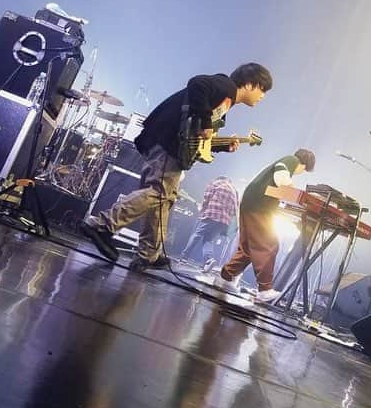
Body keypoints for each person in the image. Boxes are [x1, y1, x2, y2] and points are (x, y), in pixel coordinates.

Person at [81, 64, 272, 272]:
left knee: (163, 199)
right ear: (251, 84)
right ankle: (101, 225)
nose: (262, 97)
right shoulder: (225, 86)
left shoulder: (225, 103)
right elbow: (197, 83)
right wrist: (208, 122)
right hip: (168, 142)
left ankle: (149, 254)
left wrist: (223, 145)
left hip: (168, 143)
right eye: (263, 90)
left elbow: (198, 137)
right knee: (160, 193)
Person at [215, 149, 316, 302]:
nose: (301, 172)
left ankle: (225, 277)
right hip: (258, 206)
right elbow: (281, 178)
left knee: (249, 248)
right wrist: (295, 191)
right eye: (304, 169)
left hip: (251, 203)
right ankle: (264, 290)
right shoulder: (291, 159)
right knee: (268, 244)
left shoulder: (282, 162)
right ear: (304, 163)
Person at [181, 176, 238, 266]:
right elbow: (235, 209)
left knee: (197, 234)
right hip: (224, 221)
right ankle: (209, 260)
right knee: (209, 239)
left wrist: (202, 210)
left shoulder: (215, 184)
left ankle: (184, 257)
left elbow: (206, 198)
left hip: (212, 215)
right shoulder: (234, 191)